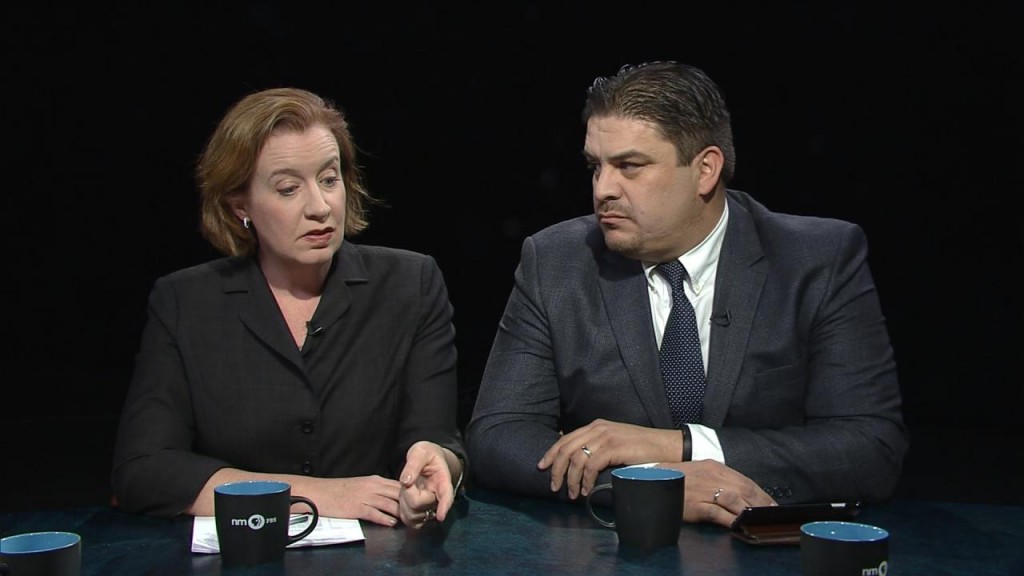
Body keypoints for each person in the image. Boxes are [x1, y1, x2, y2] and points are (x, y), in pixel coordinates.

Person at [465, 61, 908, 528]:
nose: (602, 190)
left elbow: (870, 449)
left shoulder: (817, 260)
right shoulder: (556, 261)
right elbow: (498, 436)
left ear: (705, 170)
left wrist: (680, 446)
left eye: (630, 166)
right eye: (596, 166)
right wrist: (648, 485)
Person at [112, 87, 465, 529]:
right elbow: (143, 471)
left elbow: (437, 439)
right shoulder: (185, 302)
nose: (319, 207)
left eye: (329, 179)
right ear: (241, 204)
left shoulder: (410, 284)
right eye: (287, 188)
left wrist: (436, 467)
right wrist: (318, 496)